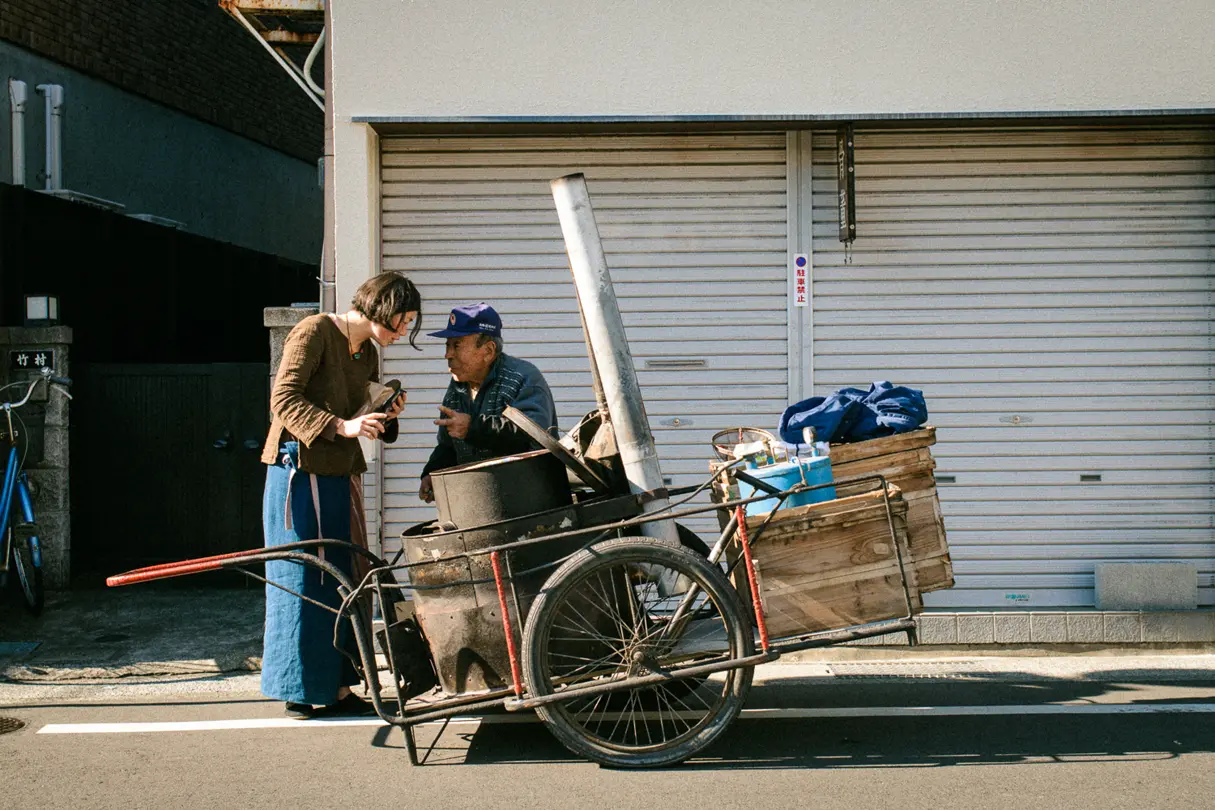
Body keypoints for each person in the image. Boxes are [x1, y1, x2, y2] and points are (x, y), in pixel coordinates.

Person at [259, 271, 422, 719]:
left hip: (339, 471)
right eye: (403, 320)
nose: (404, 330)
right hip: (299, 469)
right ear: (382, 308)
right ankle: (299, 689)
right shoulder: (313, 331)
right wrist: (342, 427)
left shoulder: (365, 351)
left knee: (346, 575)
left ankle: (341, 686)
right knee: (305, 577)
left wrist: (384, 414)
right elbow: (283, 400)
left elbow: (358, 416)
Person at [418, 303, 557, 502]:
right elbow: (449, 445)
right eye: (447, 345)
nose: (447, 355)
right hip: (482, 504)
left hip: (528, 502)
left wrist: (472, 428)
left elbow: (532, 434)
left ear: (488, 351)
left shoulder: (524, 378)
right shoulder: (457, 387)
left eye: (456, 345)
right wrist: (432, 472)